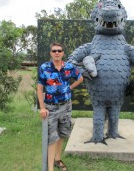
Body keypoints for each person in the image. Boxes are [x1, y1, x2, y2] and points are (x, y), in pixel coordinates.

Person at [37, 42, 83, 171]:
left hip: (66, 106)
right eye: (54, 51)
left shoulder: (69, 67)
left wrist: (70, 88)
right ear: (50, 53)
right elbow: (40, 88)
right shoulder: (45, 68)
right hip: (50, 107)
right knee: (52, 138)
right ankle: (50, 168)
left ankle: (58, 159)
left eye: (59, 50)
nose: (57, 53)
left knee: (62, 133)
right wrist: (42, 107)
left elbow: (80, 78)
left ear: (63, 53)